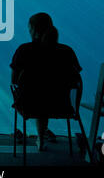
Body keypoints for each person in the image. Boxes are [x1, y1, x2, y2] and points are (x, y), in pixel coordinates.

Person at [10, 13, 82, 151]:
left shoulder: (24, 50)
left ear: (33, 29)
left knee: (39, 99)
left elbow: (13, 81)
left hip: (30, 106)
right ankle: (42, 135)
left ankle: (41, 137)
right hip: (62, 105)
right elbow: (76, 78)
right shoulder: (66, 51)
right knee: (46, 98)